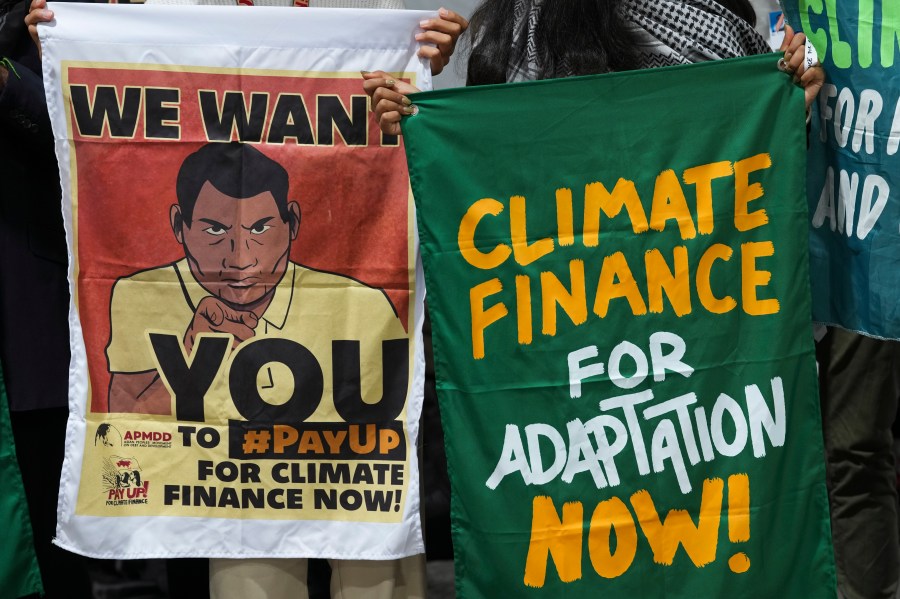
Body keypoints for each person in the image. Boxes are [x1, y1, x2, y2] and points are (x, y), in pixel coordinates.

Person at [364, 0, 824, 134]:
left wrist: (790, 107)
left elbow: (743, 156)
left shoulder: (714, 18)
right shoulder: (503, 34)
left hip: (694, 293)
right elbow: (487, 174)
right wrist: (418, 128)